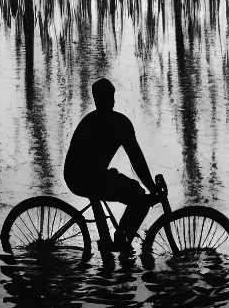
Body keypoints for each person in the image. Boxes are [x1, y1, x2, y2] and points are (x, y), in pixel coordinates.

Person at [64, 78, 159, 249]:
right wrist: (151, 187)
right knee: (138, 195)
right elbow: (136, 159)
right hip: (86, 177)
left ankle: (117, 242)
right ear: (112, 99)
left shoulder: (91, 120)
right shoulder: (120, 123)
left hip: (78, 176)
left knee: (133, 190)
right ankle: (121, 241)